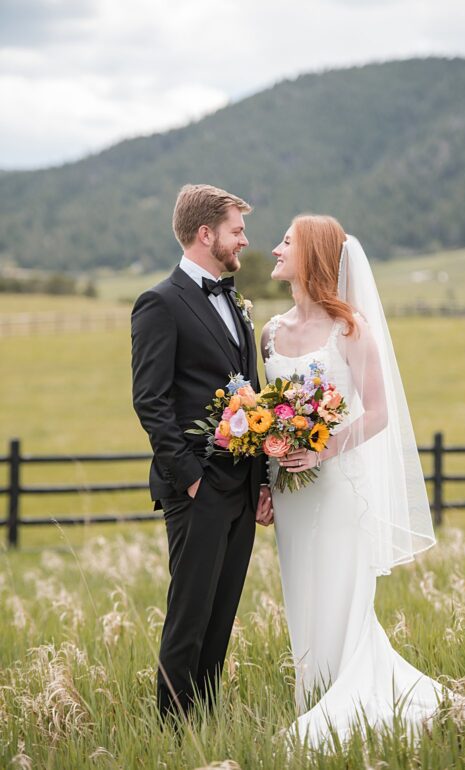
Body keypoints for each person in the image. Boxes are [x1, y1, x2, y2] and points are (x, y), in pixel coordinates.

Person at [258, 214, 448, 749]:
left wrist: (320, 449)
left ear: (312, 255)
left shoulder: (350, 329)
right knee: (301, 588)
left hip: (336, 488)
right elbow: (264, 412)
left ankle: (344, 698)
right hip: (290, 494)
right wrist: (268, 479)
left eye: (287, 243)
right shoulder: (269, 332)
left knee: (341, 588)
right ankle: (312, 692)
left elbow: (379, 413)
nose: (275, 249)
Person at [131, 183, 272, 720]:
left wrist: (262, 481)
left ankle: (205, 721)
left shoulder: (234, 299)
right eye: (237, 230)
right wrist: (190, 478)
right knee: (189, 615)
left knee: (221, 612)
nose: (245, 240)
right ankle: (171, 728)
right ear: (205, 233)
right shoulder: (159, 303)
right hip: (197, 487)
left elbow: (249, 391)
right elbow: (151, 401)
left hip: (240, 484)